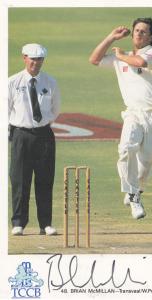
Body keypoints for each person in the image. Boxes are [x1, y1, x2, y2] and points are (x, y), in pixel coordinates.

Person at [89, 17, 152, 219]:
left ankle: (136, 190)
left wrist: (121, 56)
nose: (139, 34)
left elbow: (140, 62)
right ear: (132, 33)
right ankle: (133, 196)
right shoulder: (121, 57)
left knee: (145, 163)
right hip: (134, 112)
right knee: (125, 149)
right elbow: (94, 59)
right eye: (136, 30)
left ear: (151, 36)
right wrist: (111, 38)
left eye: (144, 31)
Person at [8, 43, 60, 235]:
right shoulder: (12, 82)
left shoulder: (50, 82)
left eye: (40, 59)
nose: (36, 63)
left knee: (45, 179)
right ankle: (19, 223)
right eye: (32, 58)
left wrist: (43, 124)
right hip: (21, 134)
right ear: (24, 58)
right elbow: (4, 110)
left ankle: (45, 224)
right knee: (20, 179)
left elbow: (55, 109)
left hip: (44, 134)